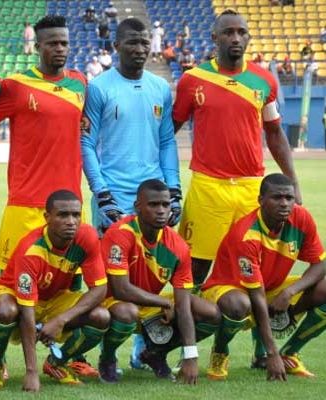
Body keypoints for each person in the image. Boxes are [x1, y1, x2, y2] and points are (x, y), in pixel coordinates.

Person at [173, 9, 300, 367]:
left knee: (259, 268)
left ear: (248, 37)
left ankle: (262, 352)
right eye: (228, 32)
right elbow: (170, 130)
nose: (235, 38)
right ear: (214, 38)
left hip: (250, 188)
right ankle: (178, 348)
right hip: (208, 187)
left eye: (241, 32)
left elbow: (274, 133)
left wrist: (292, 182)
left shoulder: (264, 81)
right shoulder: (193, 79)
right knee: (194, 271)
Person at [82, 17, 181, 368]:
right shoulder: (99, 88)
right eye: (132, 43)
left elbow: (167, 141)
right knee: (109, 278)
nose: (140, 49)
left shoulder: (160, 88)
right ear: (116, 46)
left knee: (153, 273)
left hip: (152, 197)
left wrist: (174, 188)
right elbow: (86, 142)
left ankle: (144, 348)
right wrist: (101, 191)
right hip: (114, 195)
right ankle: (105, 353)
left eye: (144, 42)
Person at [202, 173, 326, 380]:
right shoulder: (246, 234)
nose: (284, 203)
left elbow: (321, 263)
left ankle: (290, 353)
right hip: (229, 289)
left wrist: (289, 292)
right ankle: (220, 352)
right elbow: (256, 295)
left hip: (268, 287)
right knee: (238, 305)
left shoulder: (301, 218)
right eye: (277, 197)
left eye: (289, 198)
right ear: (260, 200)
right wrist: (271, 353)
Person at [0, 190, 109, 391]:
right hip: (14, 295)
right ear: (47, 217)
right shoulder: (31, 250)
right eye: (63, 215)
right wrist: (31, 372)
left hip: (54, 298)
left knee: (101, 316)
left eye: (76, 215)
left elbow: (100, 289)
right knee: (5, 310)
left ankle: (56, 363)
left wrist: (60, 320)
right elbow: (27, 311)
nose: (71, 222)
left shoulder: (87, 237)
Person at [98, 180, 220, 383]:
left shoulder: (178, 246)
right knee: (128, 311)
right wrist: (164, 302)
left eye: (165, 204)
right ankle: (108, 358)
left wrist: (190, 356)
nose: (161, 210)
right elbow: (121, 290)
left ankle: (155, 353)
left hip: (149, 304)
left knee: (210, 313)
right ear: (138, 206)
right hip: (113, 303)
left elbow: (183, 303)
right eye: (153, 205)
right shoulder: (120, 233)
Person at [0, 15, 87, 274]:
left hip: (69, 202)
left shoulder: (79, 82)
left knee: (70, 276)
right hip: (26, 201)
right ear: (37, 47)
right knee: (12, 277)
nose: (60, 49)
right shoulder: (15, 86)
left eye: (64, 43)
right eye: (52, 43)